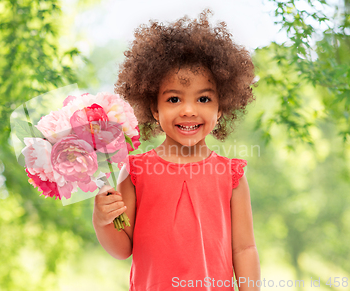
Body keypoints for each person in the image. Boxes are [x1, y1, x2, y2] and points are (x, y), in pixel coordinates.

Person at [92, 9, 260, 291]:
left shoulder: (230, 175)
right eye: (173, 99)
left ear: (220, 109)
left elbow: (244, 249)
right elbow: (122, 248)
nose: (189, 110)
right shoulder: (134, 171)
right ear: (154, 109)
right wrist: (102, 220)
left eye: (204, 98)